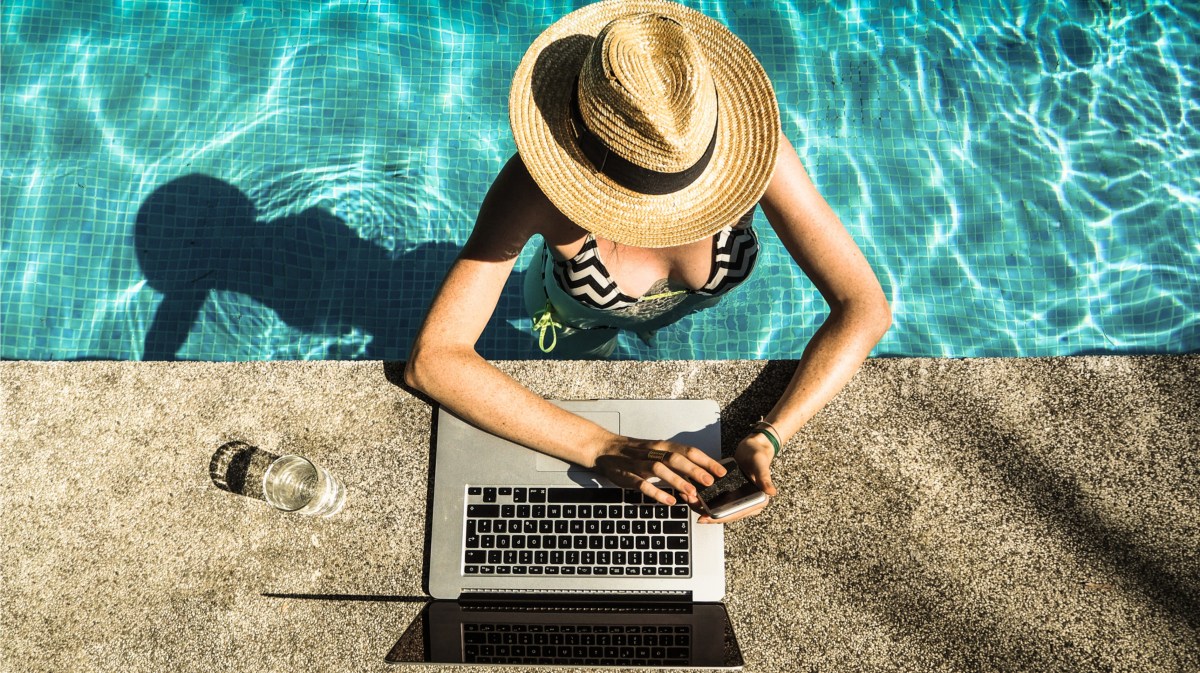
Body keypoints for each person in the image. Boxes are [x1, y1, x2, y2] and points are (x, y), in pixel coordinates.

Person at [406, 0, 890, 523]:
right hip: (576, 317)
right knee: (591, 357)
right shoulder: (533, 187)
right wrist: (603, 446)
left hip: (673, 307)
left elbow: (864, 307)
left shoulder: (750, 155)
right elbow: (433, 361)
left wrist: (771, 433)